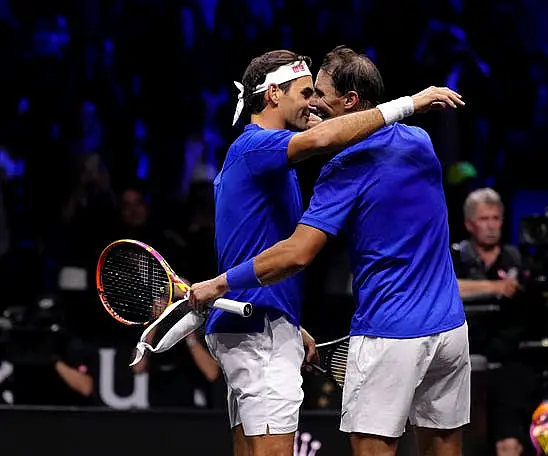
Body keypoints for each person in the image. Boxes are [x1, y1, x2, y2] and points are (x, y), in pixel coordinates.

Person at [190, 46, 468, 456]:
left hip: (387, 330)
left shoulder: (342, 170)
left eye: (317, 93)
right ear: (272, 95)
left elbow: (298, 253)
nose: (313, 105)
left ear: (350, 101)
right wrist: (410, 106)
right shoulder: (420, 142)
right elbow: (321, 141)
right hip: (450, 329)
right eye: (307, 94)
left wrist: (222, 285)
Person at [453, 188, 548, 456]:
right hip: (464, 364)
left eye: (496, 218)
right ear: (470, 224)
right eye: (484, 219)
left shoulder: (517, 259)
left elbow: (541, 290)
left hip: (509, 364)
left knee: (510, 443)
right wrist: (494, 287)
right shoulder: (456, 257)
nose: (491, 226)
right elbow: (444, 287)